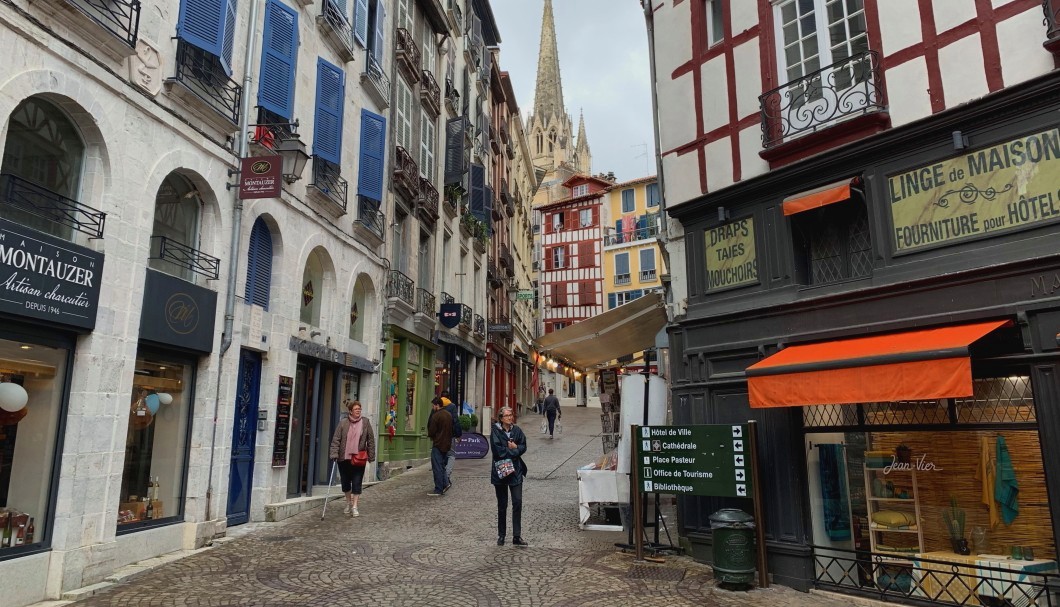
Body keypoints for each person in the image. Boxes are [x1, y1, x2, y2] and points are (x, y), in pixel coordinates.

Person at [327, 400, 375, 517]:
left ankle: (355, 506)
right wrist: (334, 454)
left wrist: (371, 455)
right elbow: (336, 439)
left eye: (359, 409)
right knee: (345, 482)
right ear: (350, 411)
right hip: (344, 458)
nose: (358, 411)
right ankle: (348, 502)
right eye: (356, 409)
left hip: (359, 457)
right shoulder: (343, 423)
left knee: (357, 482)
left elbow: (371, 440)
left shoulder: (365, 422)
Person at [491, 406, 528, 547]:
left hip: (516, 471)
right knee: (502, 505)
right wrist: (514, 451)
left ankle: (516, 536)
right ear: (501, 418)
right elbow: (498, 451)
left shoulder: (517, 431)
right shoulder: (496, 431)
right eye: (507, 415)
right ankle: (501, 535)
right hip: (500, 472)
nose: (510, 417)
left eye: (511, 415)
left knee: (517, 502)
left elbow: (523, 446)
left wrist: (516, 449)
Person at [426, 397, 452, 496]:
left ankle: (438, 489)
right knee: (441, 465)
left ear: (437, 405)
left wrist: (432, 436)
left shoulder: (436, 416)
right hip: (446, 443)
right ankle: (445, 483)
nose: (433, 407)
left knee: (437, 466)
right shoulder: (448, 415)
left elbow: (432, 430)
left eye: (433, 405)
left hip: (438, 443)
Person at [440, 390, 460, 492]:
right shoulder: (452, 406)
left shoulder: (437, 406)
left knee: (442, 456)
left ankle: (442, 476)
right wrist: (458, 434)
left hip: (439, 436)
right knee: (451, 455)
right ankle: (446, 476)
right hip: (450, 435)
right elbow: (455, 420)